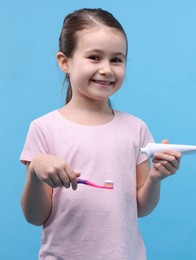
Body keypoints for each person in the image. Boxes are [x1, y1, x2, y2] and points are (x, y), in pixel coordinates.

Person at [20, 8, 181, 259]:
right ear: (65, 62)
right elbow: (34, 216)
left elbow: (141, 208)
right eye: (94, 57)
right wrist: (35, 170)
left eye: (116, 60)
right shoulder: (44, 129)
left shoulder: (135, 129)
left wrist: (156, 178)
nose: (107, 69)